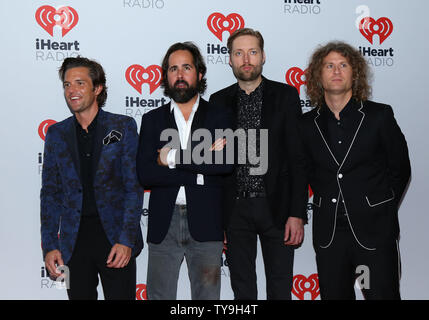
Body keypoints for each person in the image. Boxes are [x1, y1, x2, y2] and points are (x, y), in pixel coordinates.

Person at [300, 41, 411, 299]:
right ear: (318, 75)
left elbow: (400, 168)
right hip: (330, 235)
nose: (336, 71)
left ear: (355, 73)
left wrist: (378, 204)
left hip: (374, 232)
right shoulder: (305, 125)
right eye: (329, 65)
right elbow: (302, 172)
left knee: (381, 295)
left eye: (343, 65)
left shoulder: (379, 116)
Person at [209, 28, 308, 300]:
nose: (246, 59)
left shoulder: (286, 96)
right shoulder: (218, 101)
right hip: (235, 210)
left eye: (252, 52)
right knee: (242, 290)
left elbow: (297, 159)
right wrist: (218, 221)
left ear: (263, 56)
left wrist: (297, 213)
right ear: (229, 59)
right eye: (238, 53)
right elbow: (214, 168)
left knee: (280, 287)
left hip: (276, 207)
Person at [40, 56, 143, 300]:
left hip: (115, 239)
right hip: (73, 242)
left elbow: (133, 187)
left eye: (79, 83)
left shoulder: (123, 126)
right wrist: (49, 245)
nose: (72, 91)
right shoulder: (56, 134)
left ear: (97, 88)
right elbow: (50, 193)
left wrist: (126, 240)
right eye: (67, 85)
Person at [136, 42, 234, 300]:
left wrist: (171, 157)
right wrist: (201, 169)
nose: (179, 75)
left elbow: (225, 163)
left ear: (199, 74)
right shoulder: (152, 119)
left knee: (207, 297)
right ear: (166, 76)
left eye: (186, 67)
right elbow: (145, 174)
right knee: (159, 296)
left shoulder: (220, 116)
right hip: (162, 222)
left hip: (207, 221)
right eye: (173, 69)